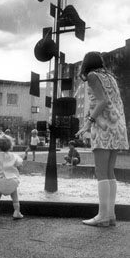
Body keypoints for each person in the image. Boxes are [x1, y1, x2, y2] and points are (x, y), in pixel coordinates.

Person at [76, 51, 129, 227]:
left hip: (104, 127)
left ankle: (102, 216)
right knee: (109, 172)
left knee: (100, 172)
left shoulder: (92, 75)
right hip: (117, 126)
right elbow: (114, 102)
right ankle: (110, 215)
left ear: (86, 63)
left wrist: (88, 123)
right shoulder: (110, 77)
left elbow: (102, 101)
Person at [0, 133, 23, 219]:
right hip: (12, 180)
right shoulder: (14, 156)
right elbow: (19, 163)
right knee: (15, 197)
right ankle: (17, 212)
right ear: (11, 146)